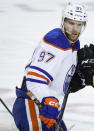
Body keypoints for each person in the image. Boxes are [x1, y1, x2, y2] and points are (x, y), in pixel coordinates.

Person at [12, 2, 88, 131]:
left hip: (47, 108)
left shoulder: (73, 44)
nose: (75, 29)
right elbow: (35, 81)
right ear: (63, 21)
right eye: (71, 23)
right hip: (32, 104)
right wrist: (48, 100)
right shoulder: (56, 41)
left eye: (79, 24)